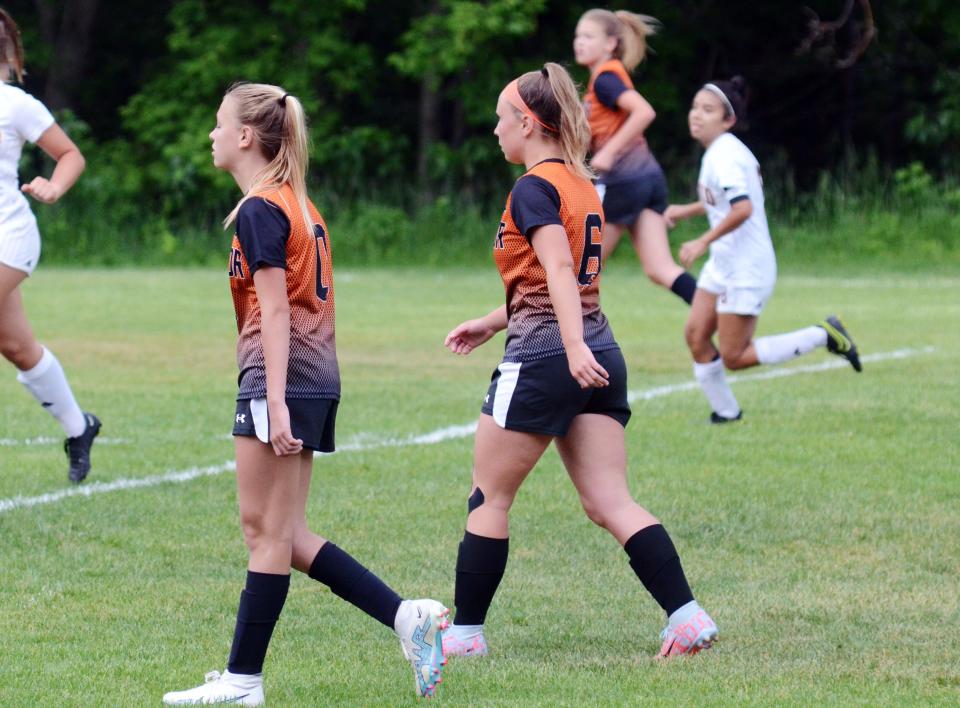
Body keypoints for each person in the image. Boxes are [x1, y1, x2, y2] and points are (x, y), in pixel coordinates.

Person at [162, 82, 449, 706]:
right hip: (311, 379)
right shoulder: (298, 203)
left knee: (265, 533)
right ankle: (408, 619)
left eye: (218, 124)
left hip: (282, 380)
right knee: (282, 534)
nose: (211, 135)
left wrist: (276, 399)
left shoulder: (263, 208)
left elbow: (274, 311)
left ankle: (242, 682)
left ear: (245, 136)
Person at [441, 63, 718, 662]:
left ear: (528, 123)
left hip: (551, 358)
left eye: (500, 118)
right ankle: (687, 616)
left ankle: (463, 637)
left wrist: (568, 348)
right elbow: (552, 279)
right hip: (601, 352)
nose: (494, 130)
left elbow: (561, 271)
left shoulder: (532, 187)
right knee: (609, 502)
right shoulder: (580, 182)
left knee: (488, 497)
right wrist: (494, 321)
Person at [664, 77, 862, 424]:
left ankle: (823, 335)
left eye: (707, 110)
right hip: (724, 262)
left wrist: (701, 240)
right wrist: (688, 209)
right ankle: (726, 413)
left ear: (728, 120)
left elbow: (743, 210)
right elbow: (724, 201)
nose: (696, 115)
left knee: (735, 356)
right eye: (695, 107)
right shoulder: (720, 151)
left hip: (746, 267)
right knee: (695, 334)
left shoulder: (725, 154)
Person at [0, 8, 99, 483]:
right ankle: (80, 428)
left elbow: (70, 155)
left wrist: (55, 188)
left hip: (10, 239)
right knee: (18, 348)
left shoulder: (16, 104)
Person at [574, 8, 697, 305]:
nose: (579, 42)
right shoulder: (602, 81)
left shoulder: (606, 80)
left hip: (623, 182)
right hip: (647, 179)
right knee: (660, 269)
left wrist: (609, 153)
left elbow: (644, 112)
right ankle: (719, 313)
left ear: (611, 43)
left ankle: (568, 344)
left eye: (589, 36)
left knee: (580, 269)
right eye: (578, 35)